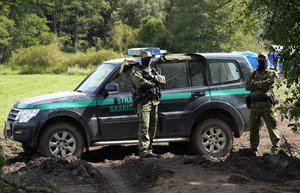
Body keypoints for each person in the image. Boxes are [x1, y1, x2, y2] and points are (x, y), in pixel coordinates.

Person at [131, 51, 166, 159]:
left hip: (154, 101)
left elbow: (163, 80)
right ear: (142, 59)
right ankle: (143, 151)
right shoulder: (136, 70)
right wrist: (153, 82)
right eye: (146, 58)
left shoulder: (153, 70)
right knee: (144, 127)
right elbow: (139, 82)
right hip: (144, 102)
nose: (148, 60)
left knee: (152, 127)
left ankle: (149, 149)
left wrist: (152, 77)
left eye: (150, 58)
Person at [245, 52, 281, 155]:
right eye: (259, 58)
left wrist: (255, 84)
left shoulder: (271, 72)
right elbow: (247, 86)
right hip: (255, 105)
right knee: (254, 128)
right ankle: (253, 149)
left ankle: (275, 149)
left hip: (267, 105)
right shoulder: (253, 73)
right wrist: (260, 84)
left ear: (266, 60)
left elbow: (267, 84)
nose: (261, 60)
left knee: (272, 127)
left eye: (263, 58)